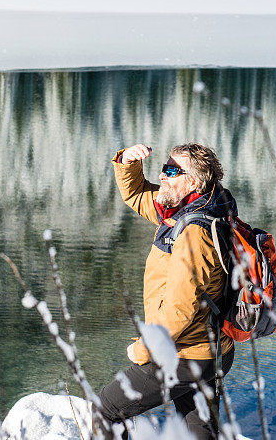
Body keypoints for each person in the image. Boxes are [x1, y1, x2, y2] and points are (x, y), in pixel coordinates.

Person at [98, 142, 238, 440]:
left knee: (107, 410)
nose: (163, 175)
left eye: (172, 171)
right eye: (164, 167)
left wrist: (143, 349)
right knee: (199, 430)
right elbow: (136, 195)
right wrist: (127, 162)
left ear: (192, 181)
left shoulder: (194, 231)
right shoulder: (198, 207)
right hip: (211, 350)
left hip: (185, 355)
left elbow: (179, 308)